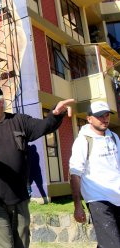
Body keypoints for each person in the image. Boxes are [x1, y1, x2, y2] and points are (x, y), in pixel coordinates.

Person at [0, 84, 74, 248]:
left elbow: (44, 126)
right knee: (2, 245)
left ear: (0, 102)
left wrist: (55, 113)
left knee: (22, 243)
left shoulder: (19, 121)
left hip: (19, 197)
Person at [69, 101, 120, 248]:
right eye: (99, 116)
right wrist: (77, 205)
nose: (105, 119)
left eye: (106, 115)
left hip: (117, 195)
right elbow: (75, 174)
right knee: (113, 244)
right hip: (98, 199)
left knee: (109, 241)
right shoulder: (83, 141)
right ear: (89, 118)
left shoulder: (114, 138)